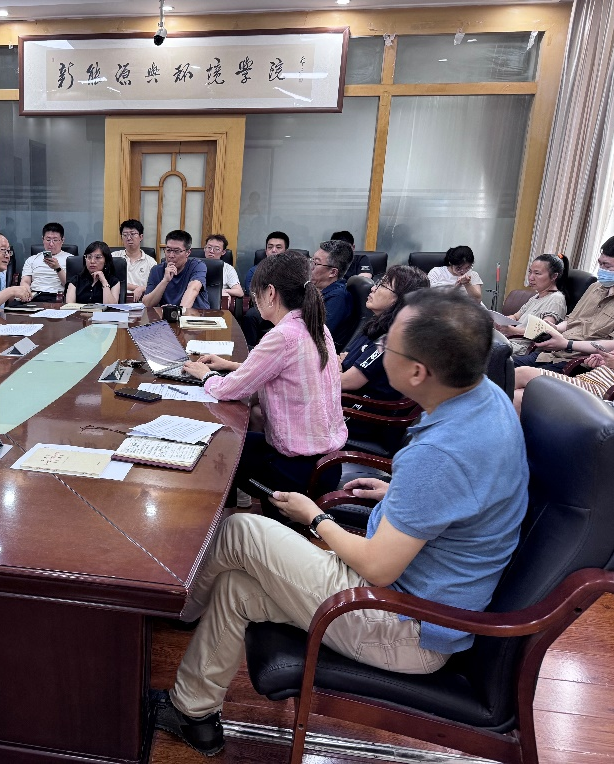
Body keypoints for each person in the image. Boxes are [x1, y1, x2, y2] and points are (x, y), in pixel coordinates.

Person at [156, 289, 529, 756]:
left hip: (405, 626)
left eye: (389, 347)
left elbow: (378, 568)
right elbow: (470, 494)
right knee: (235, 587)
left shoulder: (442, 455)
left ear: (417, 372)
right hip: (421, 609)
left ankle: (168, 612)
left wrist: (315, 518)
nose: (379, 352)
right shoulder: (486, 397)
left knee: (240, 530)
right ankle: (192, 712)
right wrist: (400, 496)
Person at [182, 250, 347, 501]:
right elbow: (285, 371)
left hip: (294, 471)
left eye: (255, 292)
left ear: (270, 293)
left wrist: (206, 375)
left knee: (215, 448)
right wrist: (230, 365)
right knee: (238, 438)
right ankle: (242, 504)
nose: (254, 300)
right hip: (326, 464)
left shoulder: (282, 336)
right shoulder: (316, 326)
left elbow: (227, 390)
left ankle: (230, 517)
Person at [512, 237, 614, 370]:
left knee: (518, 374)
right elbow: (571, 320)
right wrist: (555, 328)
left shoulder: (556, 298)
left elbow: (611, 345)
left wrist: (567, 344)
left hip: (578, 361)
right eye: (600, 264)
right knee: (502, 366)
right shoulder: (595, 288)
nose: (601, 270)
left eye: (607, 266)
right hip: (553, 353)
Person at [340, 265, 431, 402]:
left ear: (401, 299)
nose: (373, 288)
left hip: (361, 409)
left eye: (382, 285)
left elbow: (346, 382)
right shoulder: (377, 324)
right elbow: (344, 357)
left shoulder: (390, 340)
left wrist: (336, 368)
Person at [494, 254, 568, 361]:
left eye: (537, 273)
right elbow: (516, 316)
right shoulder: (536, 297)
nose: (531, 277)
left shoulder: (556, 299)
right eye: (530, 272)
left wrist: (512, 330)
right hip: (510, 341)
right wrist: (500, 321)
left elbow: (544, 332)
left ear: (554, 276)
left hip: (524, 348)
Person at [514, 345, 614, 412]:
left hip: (604, 392)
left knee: (524, 373)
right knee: (518, 398)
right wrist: (603, 361)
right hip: (587, 379)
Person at [241, 231, 290, 348]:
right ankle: (250, 350)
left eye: (278, 247)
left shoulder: (292, 271)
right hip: (264, 307)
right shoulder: (254, 271)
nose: (274, 250)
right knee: (251, 315)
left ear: (286, 251)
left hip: (286, 308)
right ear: (266, 251)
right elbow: (253, 294)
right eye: (270, 247)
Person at [142, 229, 209, 310]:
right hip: (169, 315)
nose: (171, 255)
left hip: (196, 314)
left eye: (176, 251)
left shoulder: (197, 265)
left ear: (188, 253)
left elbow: (193, 288)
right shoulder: (156, 270)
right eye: (168, 250)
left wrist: (179, 311)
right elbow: (147, 304)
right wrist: (165, 281)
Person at [311, 239, 355, 347]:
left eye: (315, 263)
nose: (310, 267)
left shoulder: (338, 298)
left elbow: (316, 335)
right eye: (311, 260)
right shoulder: (317, 290)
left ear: (333, 272)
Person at [21, 222, 68, 302]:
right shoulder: (32, 259)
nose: (51, 244)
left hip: (56, 296)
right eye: (48, 240)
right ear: (43, 239)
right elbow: (25, 281)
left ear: (62, 240)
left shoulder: (70, 259)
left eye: (55, 240)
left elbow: (68, 285)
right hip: (34, 295)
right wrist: (26, 293)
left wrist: (58, 268)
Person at [113, 219, 156, 301]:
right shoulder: (114, 257)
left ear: (141, 237)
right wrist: (137, 287)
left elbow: (155, 286)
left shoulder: (151, 262)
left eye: (132, 234)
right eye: (125, 235)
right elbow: (108, 281)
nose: (129, 238)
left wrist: (142, 289)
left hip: (141, 301)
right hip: (117, 301)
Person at [202, 234, 243, 299]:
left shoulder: (228, 268)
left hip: (216, 300)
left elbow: (239, 292)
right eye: (209, 247)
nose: (211, 251)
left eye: (216, 249)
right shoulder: (194, 265)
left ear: (223, 252)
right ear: (204, 249)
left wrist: (222, 291)